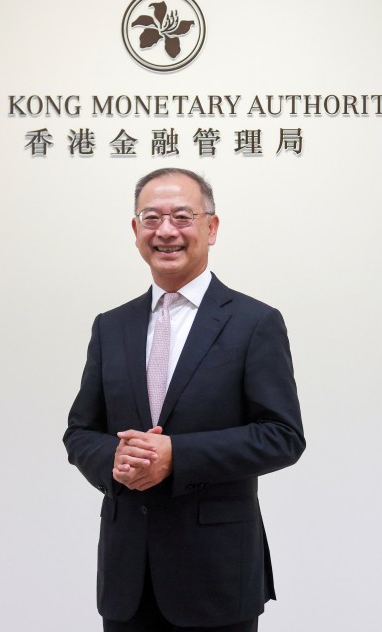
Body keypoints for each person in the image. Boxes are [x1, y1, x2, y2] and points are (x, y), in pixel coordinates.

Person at [64, 168, 305, 632]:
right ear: (136, 231)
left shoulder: (254, 323)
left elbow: (282, 437)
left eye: (182, 216)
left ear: (211, 228)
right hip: (126, 578)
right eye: (151, 218)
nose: (166, 231)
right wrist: (114, 459)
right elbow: (79, 432)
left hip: (216, 576)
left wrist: (177, 456)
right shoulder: (110, 327)